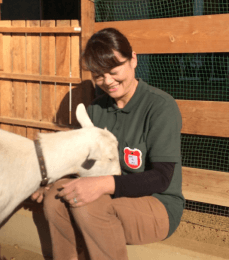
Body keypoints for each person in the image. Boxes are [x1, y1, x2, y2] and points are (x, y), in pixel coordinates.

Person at [31, 27, 185, 260]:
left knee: (87, 206)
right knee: (56, 196)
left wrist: (103, 184)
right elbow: (83, 163)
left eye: (114, 71)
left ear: (133, 59)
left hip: (157, 203)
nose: (108, 81)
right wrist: (47, 182)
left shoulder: (160, 107)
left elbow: (162, 178)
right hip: (112, 196)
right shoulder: (97, 109)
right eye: (99, 76)